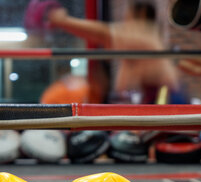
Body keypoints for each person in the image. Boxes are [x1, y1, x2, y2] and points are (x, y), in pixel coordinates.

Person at [45, 1, 188, 104]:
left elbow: (104, 33)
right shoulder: (139, 46)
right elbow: (122, 85)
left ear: (142, 15)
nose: (124, 21)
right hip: (155, 97)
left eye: (128, 16)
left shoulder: (145, 33)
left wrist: (64, 21)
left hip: (166, 98)